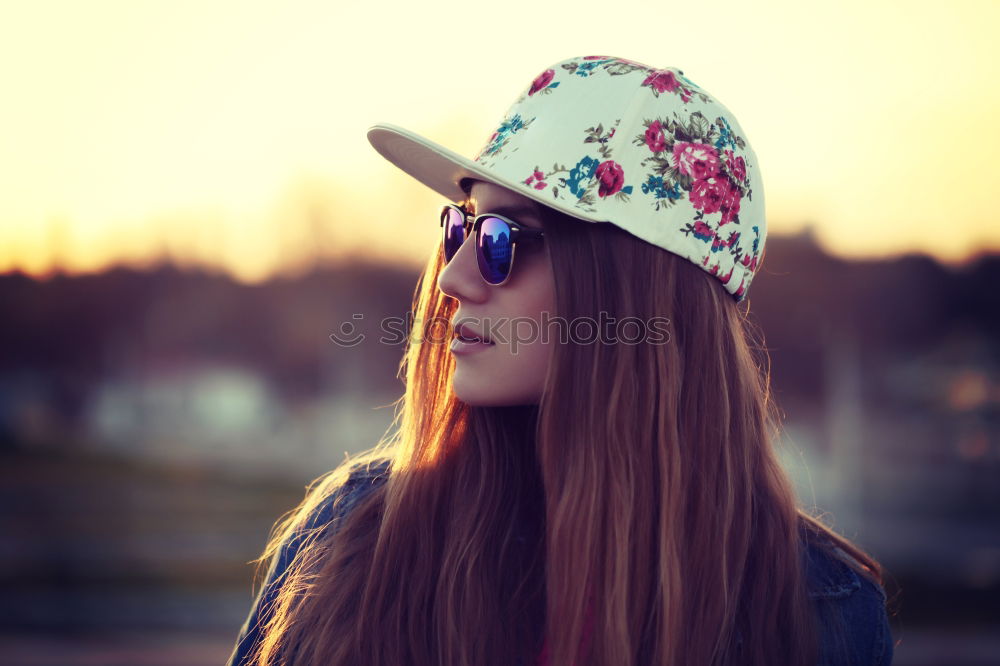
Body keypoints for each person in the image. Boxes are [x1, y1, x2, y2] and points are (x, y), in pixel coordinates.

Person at [226, 55, 895, 666]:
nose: (453, 279)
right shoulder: (354, 538)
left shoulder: (823, 612)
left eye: (499, 239)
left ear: (636, 290)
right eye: (458, 227)